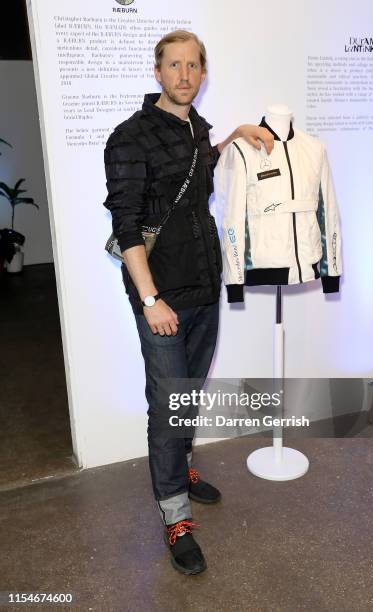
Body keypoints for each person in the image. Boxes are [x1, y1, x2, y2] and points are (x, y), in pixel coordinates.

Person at [103, 29, 273, 575]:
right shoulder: (129, 138)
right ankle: (174, 514)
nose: (183, 75)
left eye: (193, 66)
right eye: (173, 65)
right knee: (167, 406)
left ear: (202, 73)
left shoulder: (197, 128)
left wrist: (232, 139)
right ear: (158, 73)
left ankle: (182, 466)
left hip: (205, 287)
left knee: (190, 393)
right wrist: (150, 298)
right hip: (164, 300)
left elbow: (193, 177)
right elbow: (126, 224)